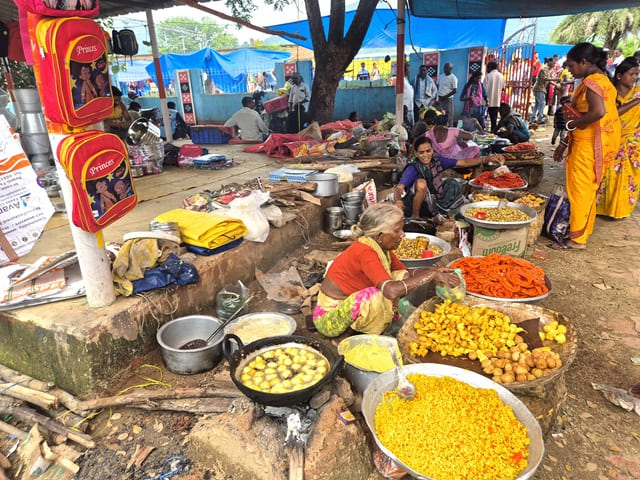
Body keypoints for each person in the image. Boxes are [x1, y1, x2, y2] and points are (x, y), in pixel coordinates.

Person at [312, 204, 460, 338]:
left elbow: (407, 274)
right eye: (397, 230)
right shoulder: (365, 251)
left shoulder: (381, 248)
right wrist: (431, 274)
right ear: (380, 236)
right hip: (329, 317)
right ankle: (366, 334)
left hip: (349, 304)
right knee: (377, 295)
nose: (403, 234)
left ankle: (370, 323)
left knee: (399, 275)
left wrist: (433, 270)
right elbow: (391, 291)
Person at [552, 42, 621, 250]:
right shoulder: (603, 80)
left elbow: (598, 112)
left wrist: (574, 123)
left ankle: (576, 240)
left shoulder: (592, 83)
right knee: (588, 189)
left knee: (580, 190)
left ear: (584, 62)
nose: (570, 71)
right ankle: (581, 231)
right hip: (598, 142)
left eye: (572, 66)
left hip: (588, 144)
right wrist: (565, 141)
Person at [395, 136, 504, 218]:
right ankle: (415, 217)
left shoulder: (437, 161)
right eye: (421, 152)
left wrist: (486, 159)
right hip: (420, 205)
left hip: (437, 201)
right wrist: (398, 200)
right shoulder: (413, 168)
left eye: (428, 151)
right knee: (421, 183)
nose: (425, 155)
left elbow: (463, 162)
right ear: (416, 154)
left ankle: (443, 211)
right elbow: (399, 188)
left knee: (451, 182)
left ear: (432, 150)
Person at [596, 57, 640, 219]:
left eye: (636, 74)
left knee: (628, 178)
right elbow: (609, 115)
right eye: (631, 74)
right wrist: (635, 102)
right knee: (608, 175)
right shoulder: (610, 93)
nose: (634, 78)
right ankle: (604, 208)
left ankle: (620, 210)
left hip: (632, 142)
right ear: (620, 76)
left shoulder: (638, 92)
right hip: (611, 138)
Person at [483, 61, 506, 133]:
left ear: (490, 67)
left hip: (486, 101)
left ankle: (483, 132)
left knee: (484, 119)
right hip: (496, 101)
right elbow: (503, 88)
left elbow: (483, 90)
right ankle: (493, 133)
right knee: (494, 120)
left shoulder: (487, 76)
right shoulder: (501, 76)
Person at [530, 57, 555, 124]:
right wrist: (555, 80)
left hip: (539, 88)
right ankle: (540, 119)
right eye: (553, 63)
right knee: (542, 103)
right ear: (549, 62)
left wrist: (555, 83)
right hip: (539, 88)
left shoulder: (547, 69)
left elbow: (547, 80)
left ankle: (532, 118)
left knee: (537, 104)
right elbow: (545, 79)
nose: (554, 65)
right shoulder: (544, 69)